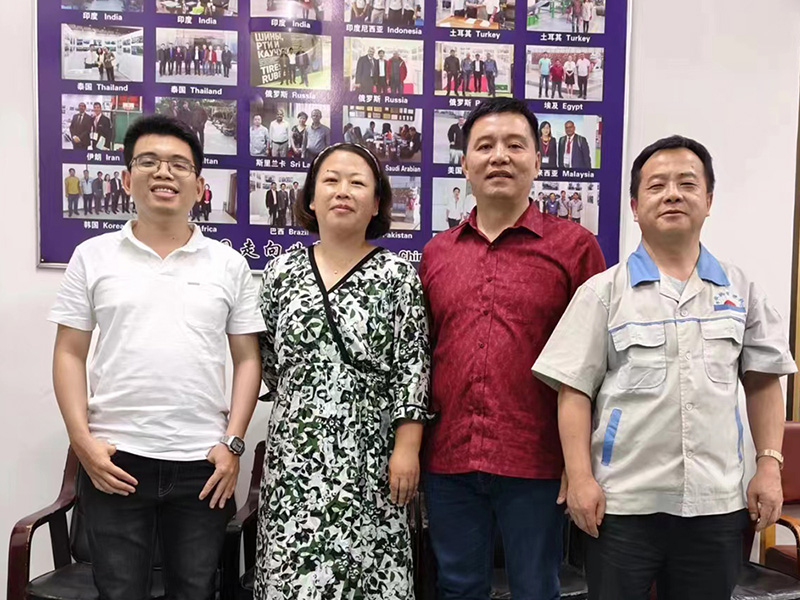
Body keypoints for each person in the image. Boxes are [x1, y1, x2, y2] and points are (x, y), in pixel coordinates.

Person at [533, 135, 796, 600]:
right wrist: (581, 478)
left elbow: (762, 382)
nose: (672, 194)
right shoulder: (603, 293)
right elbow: (574, 392)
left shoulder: (741, 290)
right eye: (657, 186)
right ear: (635, 207)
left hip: (715, 504)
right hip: (623, 505)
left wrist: (769, 467)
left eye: (687, 184)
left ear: (708, 201)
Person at [49, 114, 264, 600]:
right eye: (148, 162)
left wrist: (232, 445)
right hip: (114, 460)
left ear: (199, 187)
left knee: (196, 591)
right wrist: (82, 441)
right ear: (127, 179)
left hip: (203, 464)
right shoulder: (92, 256)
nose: (164, 172)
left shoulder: (229, 265)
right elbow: (69, 352)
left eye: (178, 164)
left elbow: (248, 359)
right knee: (118, 592)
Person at [420, 98, 605, 600]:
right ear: (464, 164)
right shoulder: (437, 253)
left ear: (537, 161)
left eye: (514, 145)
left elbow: (596, 365)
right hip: (450, 459)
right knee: (457, 588)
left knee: (536, 589)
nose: (499, 156)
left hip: (538, 461)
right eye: (485, 146)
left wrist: (579, 462)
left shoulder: (575, 248)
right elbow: (423, 355)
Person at [254, 142, 429, 600]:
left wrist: (407, 448)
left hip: (372, 456)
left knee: (369, 577)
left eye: (358, 183)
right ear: (311, 198)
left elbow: (412, 367)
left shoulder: (398, 275)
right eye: (330, 180)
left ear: (376, 203)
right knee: (292, 577)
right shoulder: (280, 272)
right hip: (295, 456)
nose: (343, 191)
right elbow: (266, 359)